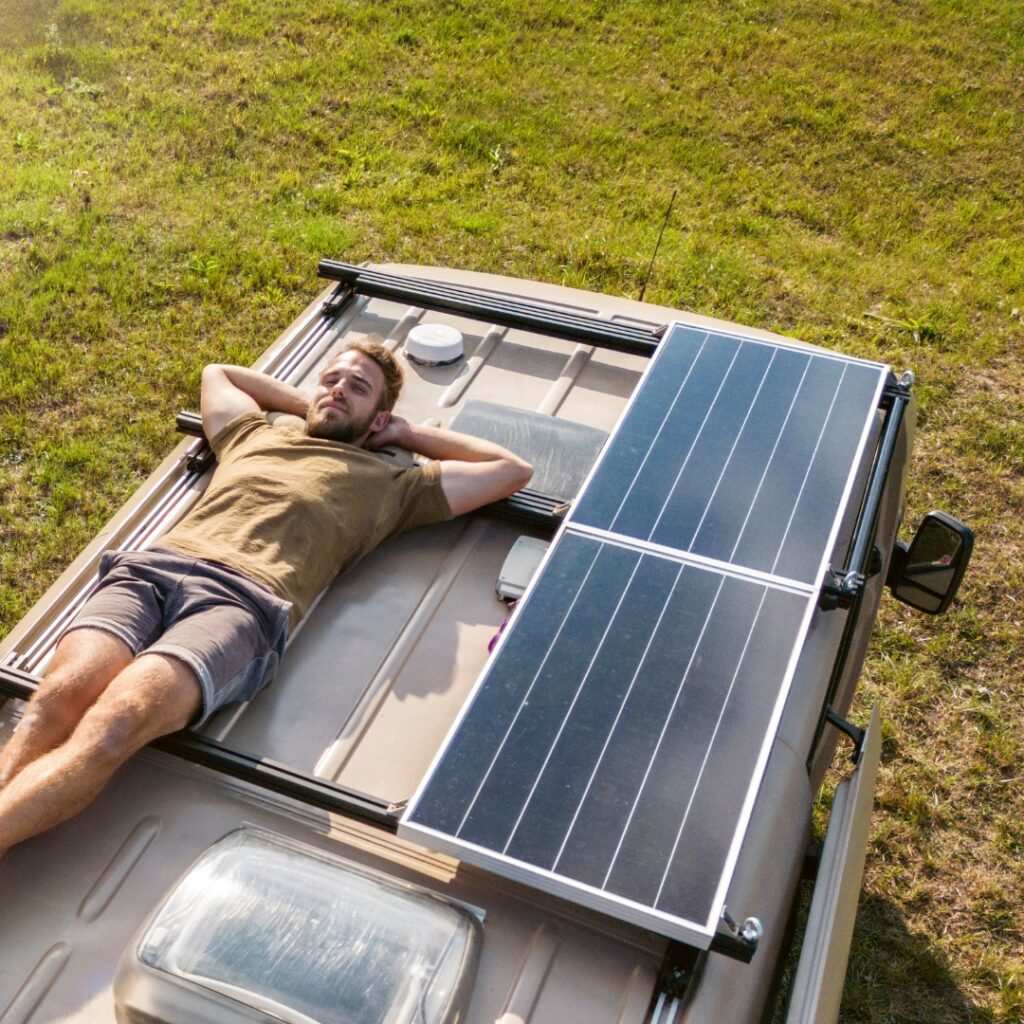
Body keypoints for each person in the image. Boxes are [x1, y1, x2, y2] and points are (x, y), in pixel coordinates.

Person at [0, 340, 532, 856]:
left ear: (378, 419)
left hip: (241, 604)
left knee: (116, 723)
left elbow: (510, 470)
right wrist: (318, 403)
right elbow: (219, 373)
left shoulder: (394, 485)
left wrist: (404, 433)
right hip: (151, 571)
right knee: (57, 697)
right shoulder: (253, 433)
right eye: (331, 378)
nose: (338, 389)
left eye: (358, 387)